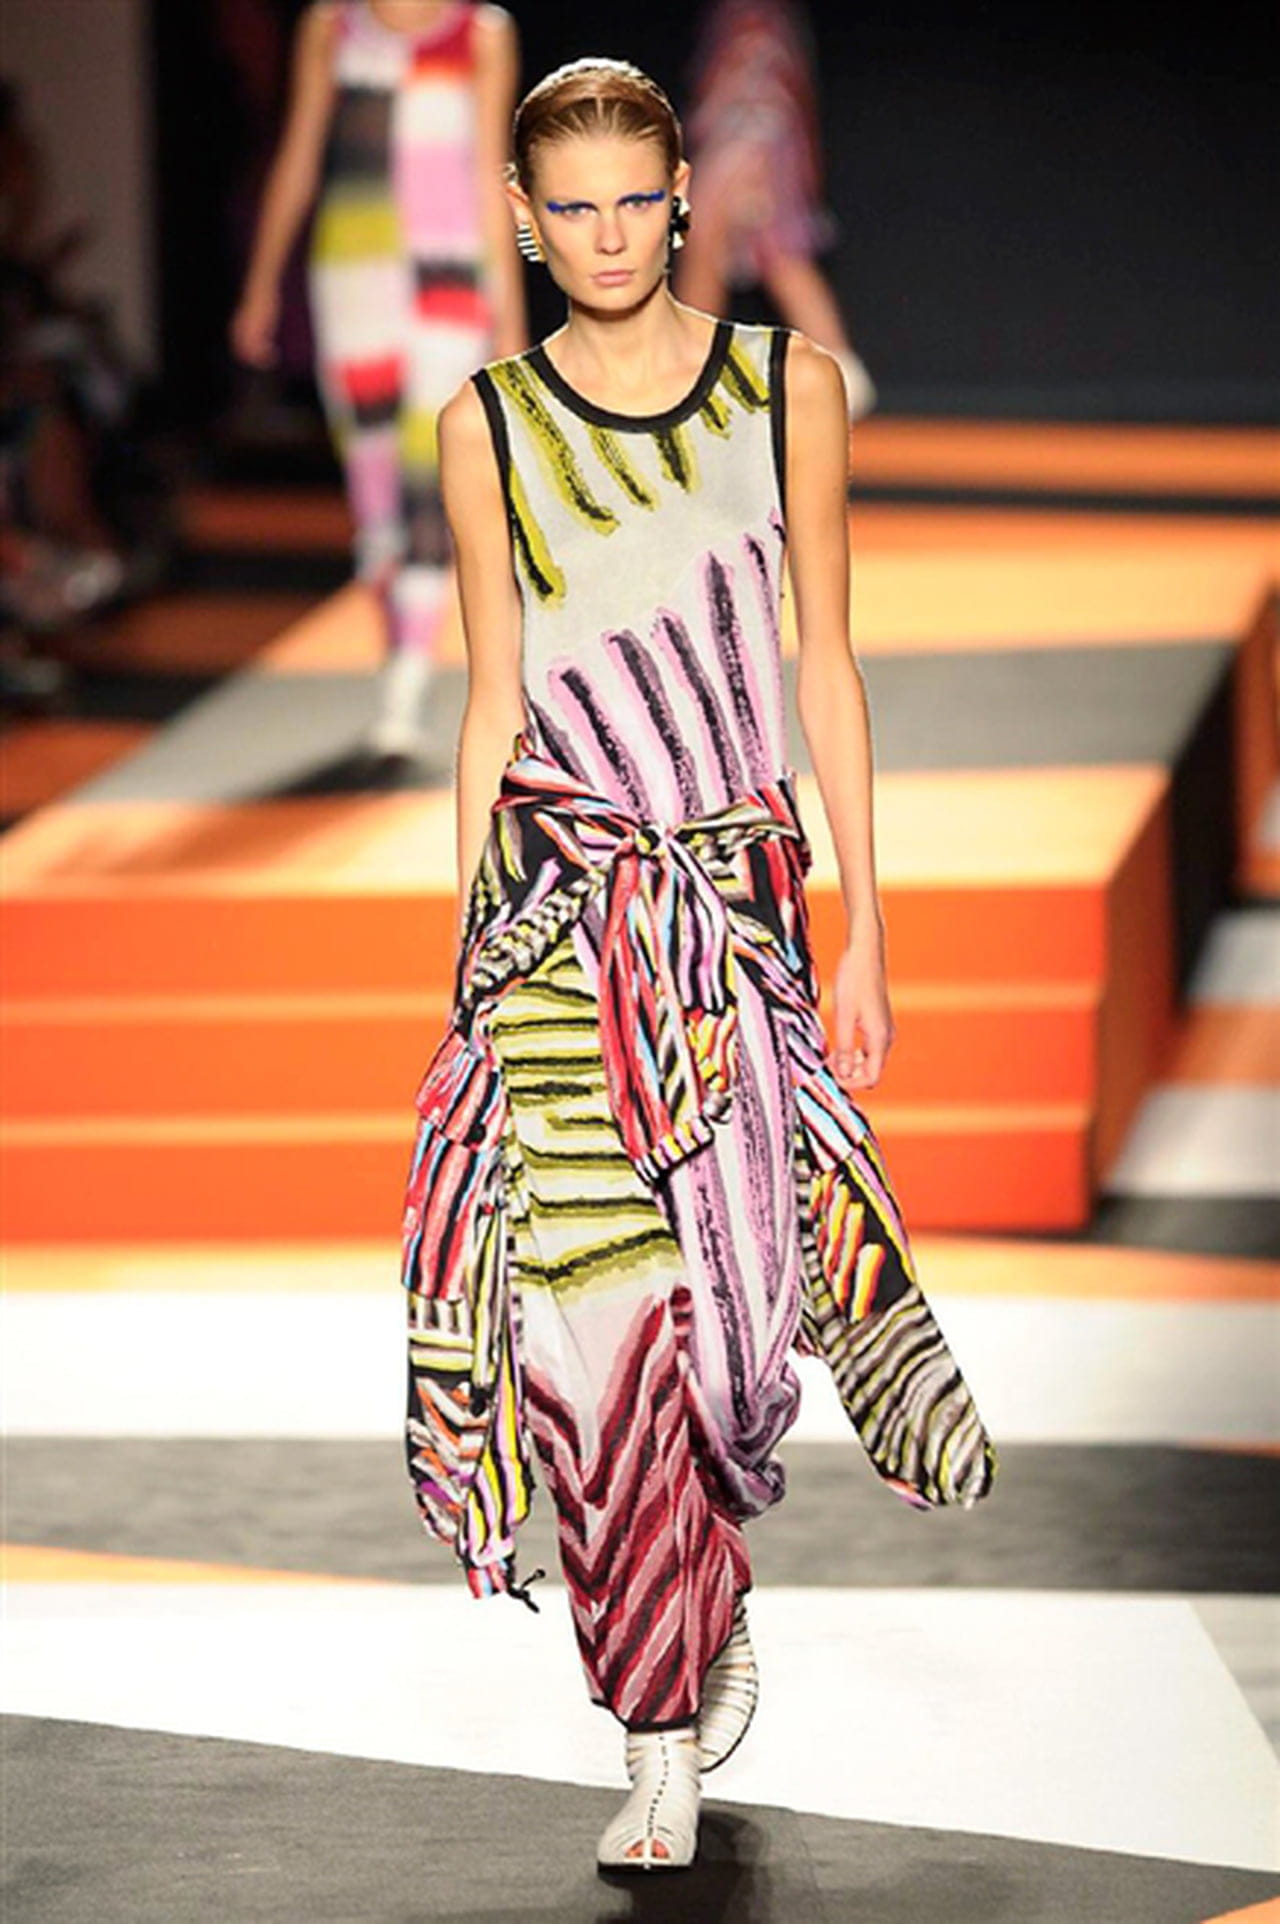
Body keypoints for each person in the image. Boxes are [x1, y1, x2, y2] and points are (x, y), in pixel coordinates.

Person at [400, 57, 994, 1874]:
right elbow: (493, 699)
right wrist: (469, 961)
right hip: (560, 918)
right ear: (523, 218)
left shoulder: (782, 389)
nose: (604, 237)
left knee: (736, 1345)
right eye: (568, 208)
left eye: (633, 202)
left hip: (734, 919)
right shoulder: (486, 425)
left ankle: (708, 1571)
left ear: (680, 204)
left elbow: (827, 664)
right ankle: (654, 1734)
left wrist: (867, 917)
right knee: (597, 1343)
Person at [231, 2, 526, 758]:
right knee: (374, 491)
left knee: (429, 477)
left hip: (451, 275)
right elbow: (301, 157)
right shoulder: (332, 28)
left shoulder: (480, 34)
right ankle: (397, 647)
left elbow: (494, 177)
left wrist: (510, 318)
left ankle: (406, 680)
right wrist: (262, 284)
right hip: (353, 275)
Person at [674, 0, 876, 418]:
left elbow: (762, 87)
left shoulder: (756, 18)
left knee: (756, 247)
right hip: (750, 142)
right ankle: (692, 371)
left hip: (751, 143)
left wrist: (750, 157)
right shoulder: (746, 16)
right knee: (760, 250)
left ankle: (690, 373)